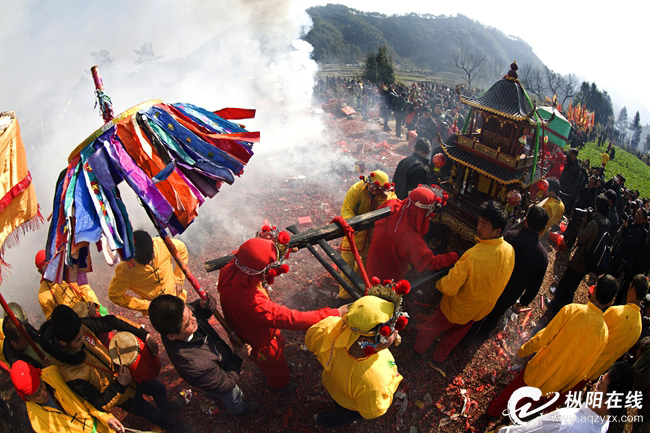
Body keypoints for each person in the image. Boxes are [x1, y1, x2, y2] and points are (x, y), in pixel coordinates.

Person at [217, 237, 344, 390]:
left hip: (255, 329)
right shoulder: (251, 303)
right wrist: (334, 313)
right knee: (276, 368)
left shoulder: (237, 264)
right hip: (259, 341)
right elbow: (292, 318)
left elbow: (256, 250)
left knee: (279, 349)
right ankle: (279, 384)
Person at [39, 305, 187, 432]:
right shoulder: (70, 375)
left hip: (129, 374)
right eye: (78, 340)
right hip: (121, 396)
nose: (83, 339)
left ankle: (167, 408)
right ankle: (175, 427)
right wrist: (120, 385)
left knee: (159, 389)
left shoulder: (80, 328)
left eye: (82, 335)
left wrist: (144, 335)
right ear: (63, 343)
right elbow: (99, 403)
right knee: (152, 414)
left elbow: (113, 321)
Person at [487, 274, 616, 417]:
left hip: (540, 367)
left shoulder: (572, 310)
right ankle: (510, 421)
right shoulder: (604, 334)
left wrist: (523, 350)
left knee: (513, 394)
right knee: (529, 404)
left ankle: (492, 412)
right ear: (610, 302)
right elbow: (585, 368)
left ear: (594, 290)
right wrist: (567, 386)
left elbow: (543, 338)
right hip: (557, 382)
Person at [414, 200, 515, 362]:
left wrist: (437, 282)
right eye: (479, 222)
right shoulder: (509, 250)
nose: (478, 228)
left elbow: (448, 288)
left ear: (497, 231)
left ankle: (417, 352)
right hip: (479, 310)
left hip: (456, 307)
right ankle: (438, 359)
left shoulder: (473, 255)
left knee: (431, 328)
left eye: (484, 225)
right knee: (453, 337)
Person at [149, 294, 260, 415]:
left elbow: (193, 309)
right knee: (232, 395)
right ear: (171, 336)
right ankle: (240, 410)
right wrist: (238, 357)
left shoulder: (176, 320)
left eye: (191, 314)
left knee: (212, 385)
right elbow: (226, 384)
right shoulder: (195, 364)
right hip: (218, 375)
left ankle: (211, 391)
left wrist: (201, 306)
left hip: (212, 371)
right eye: (188, 323)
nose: (194, 319)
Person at [305, 294, 404, 428]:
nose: (397, 331)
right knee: (343, 415)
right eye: (392, 330)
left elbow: (312, 340)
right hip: (351, 404)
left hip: (332, 384)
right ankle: (325, 421)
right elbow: (372, 411)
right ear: (367, 342)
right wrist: (392, 384)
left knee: (339, 400)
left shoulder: (330, 327)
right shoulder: (373, 383)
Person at [469, 205, 549, 346]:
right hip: (511, 293)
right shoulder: (542, 256)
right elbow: (535, 284)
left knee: (481, 311)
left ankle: (466, 338)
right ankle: (479, 339)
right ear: (543, 230)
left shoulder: (510, 235)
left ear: (525, 220)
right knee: (495, 316)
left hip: (493, 284)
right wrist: (524, 301)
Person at [493, 362, 635, 433]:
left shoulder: (565, 421)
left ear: (606, 404)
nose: (593, 386)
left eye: (599, 386)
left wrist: (502, 429)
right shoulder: (604, 423)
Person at [365, 186, 459, 282]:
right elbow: (430, 263)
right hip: (385, 279)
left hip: (372, 265)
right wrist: (455, 256)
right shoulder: (410, 238)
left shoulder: (392, 205)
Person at [11, 360, 125, 433]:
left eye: (41, 385)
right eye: (37, 395)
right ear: (26, 397)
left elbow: (84, 398)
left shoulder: (53, 372)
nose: (44, 393)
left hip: (102, 425)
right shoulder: (37, 423)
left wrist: (106, 418)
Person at [545, 194, 610, 318]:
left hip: (580, 260)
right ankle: (565, 307)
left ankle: (555, 305)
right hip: (589, 262)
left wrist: (584, 224)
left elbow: (580, 239)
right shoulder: (606, 222)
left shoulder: (594, 224)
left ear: (598, 207)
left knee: (566, 283)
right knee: (573, 285)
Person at [337, 170, 396, 299]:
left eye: (377, 188)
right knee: (347, 268)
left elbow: (391, 209)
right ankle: (344, 298)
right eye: (372, 186)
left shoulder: (388, 195)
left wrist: (385, 198)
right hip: (353, 238)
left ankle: (360, 293)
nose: (374, 189)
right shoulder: (356, 190)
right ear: (367, 182)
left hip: (372, 240)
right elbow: (346, 210)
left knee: (364, 269)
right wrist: (352, 225)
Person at [108, 230, 188, 315]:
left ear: (152, 244)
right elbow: (114, 295)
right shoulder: (125, 269)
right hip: (158, 312)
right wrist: (146, 305)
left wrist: (179, 278)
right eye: (143, 262)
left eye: (151, 257)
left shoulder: (162, 244)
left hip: (178, 297)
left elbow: (181, 248)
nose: (149, 262)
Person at [585, 274, 646, 380]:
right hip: (599, 369)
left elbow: (592, 331)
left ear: (633, 290)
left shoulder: (616, 312)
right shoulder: (639, 327)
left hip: (584, 361)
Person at [36, 250, 102, 319]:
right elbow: (51, 318)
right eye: (46, 268)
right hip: (71, 324)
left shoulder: (68, 271)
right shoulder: (43, 295)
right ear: (40, 271)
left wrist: (91, 301)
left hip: (88, 310)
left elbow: (84, 287)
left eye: (51, 265)